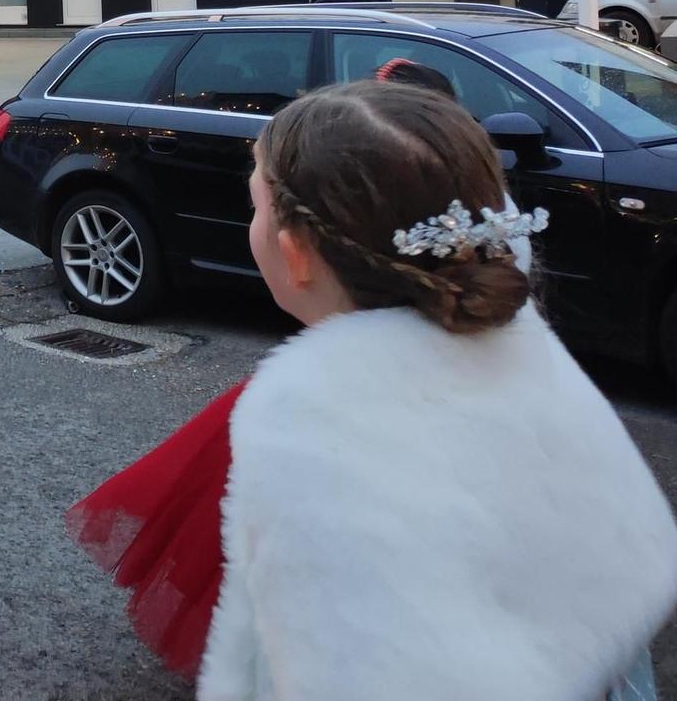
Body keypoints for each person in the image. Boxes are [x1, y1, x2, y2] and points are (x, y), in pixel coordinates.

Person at [75, 80, 677, 699]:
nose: (249, 220)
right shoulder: (520, 356)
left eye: (254, 203)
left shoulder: (323, 436)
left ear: (297, 255)